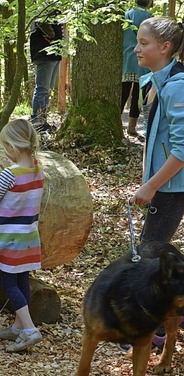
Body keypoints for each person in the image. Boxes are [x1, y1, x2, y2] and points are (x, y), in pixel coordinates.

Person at [131, 16, 184, 349]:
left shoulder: (177, 85)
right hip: (164, 186)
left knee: (149, 256)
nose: (136, 48)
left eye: (143, 43)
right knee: (154, 252)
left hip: (172, 188)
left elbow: (182, 148)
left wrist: (151, 186)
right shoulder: (157, 81)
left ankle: (157, 331)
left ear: (164, 48)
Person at [0, 119, 45, 352]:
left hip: (10, 237)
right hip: (29, 236)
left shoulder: (10, 175)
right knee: (22, 278)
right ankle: (18, 327)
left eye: (5, 146)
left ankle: (30, 329)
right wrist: (8, 170)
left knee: (7, 281)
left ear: (13, 147)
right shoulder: (37, 169)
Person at [121, 0, 153, 137]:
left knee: (123, 92)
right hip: (142, 59)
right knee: (138, 96)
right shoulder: (149, 18)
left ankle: (117, 121)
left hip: (127, 58)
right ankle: (132, 126)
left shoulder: (126, 14)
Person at [30, 9, 63, 133]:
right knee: (42, 88)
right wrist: (52, 36)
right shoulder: (43, 6)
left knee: (46, 88)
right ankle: (37, 121)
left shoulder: (53, 6)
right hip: (45, 53)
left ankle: (42, 119)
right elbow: (42, 22)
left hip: (54, 53)